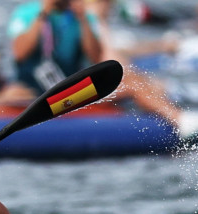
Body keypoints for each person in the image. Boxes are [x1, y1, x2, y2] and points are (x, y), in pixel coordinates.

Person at [85, 0, 198, 140]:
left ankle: (174, 113)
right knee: (134, 85)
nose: (109, 8)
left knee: (144, 83)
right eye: (105, 3)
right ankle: (181, 121)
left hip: (86, 87)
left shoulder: (92, 22)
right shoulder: (87, 22)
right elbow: (108, 61)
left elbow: (116, 63)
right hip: (71, 96)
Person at [8, 0, 104, 95]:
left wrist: (82, 19)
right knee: (14, 93)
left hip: (70, 87)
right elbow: (19, 53)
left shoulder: (84, 15)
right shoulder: (26, 12)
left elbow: (96, 57)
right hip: (31, 87)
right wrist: (44, 13)